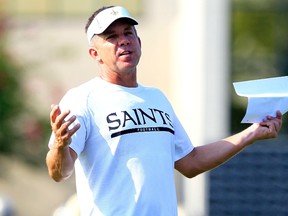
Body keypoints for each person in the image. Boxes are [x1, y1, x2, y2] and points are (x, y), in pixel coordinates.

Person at [46, 5, 283, 216]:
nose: (124, 41)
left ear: (139, 42)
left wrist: (251, 133)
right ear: (94, 54)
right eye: (112, 37)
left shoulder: (156, 98)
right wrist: (60, 145)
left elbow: (191, 162)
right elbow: (59, 172)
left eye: (129, 33)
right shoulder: (82, 99)